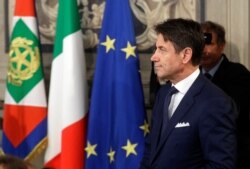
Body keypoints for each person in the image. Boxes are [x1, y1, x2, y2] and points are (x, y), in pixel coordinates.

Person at [139, 18, 238, 169]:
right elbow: (151, 150)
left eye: (162, 49)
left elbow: (220, 166)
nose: (153, 57)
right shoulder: (163, 93)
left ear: (185, 55)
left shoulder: (216, 103)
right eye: (155, 49)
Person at [200, 20, 250, 169]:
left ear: (222, 46)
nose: (203, 50)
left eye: (209, 43)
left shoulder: (238, 74)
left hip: (231, 154)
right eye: (199, 44)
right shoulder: (190, 76)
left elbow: (231, 112)